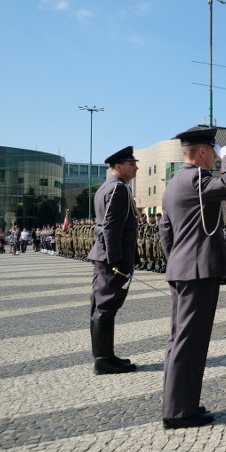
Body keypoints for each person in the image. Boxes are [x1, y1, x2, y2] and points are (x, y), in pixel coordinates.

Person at [159, 127, 226, 429]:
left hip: (183, 268)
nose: (216, 157)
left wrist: (177, 262)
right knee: (190, 342)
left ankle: (181, 403)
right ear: (204, 152)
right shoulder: (196, 179)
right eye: (214, 151)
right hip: (197, 270)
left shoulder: (173, 183)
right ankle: (179, 412)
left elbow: (165, 232)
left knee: (180, 339)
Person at [86, 145, 140, 375]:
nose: (136, 167)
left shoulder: (106, 188)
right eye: (131, 164)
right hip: (111, 260)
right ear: (118, 166)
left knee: (101, 306)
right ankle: (103, 360)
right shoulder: (119, 189)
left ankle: (105, 356)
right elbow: (110, 227)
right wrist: (116, 261)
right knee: (105, 307)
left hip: (103, 257)